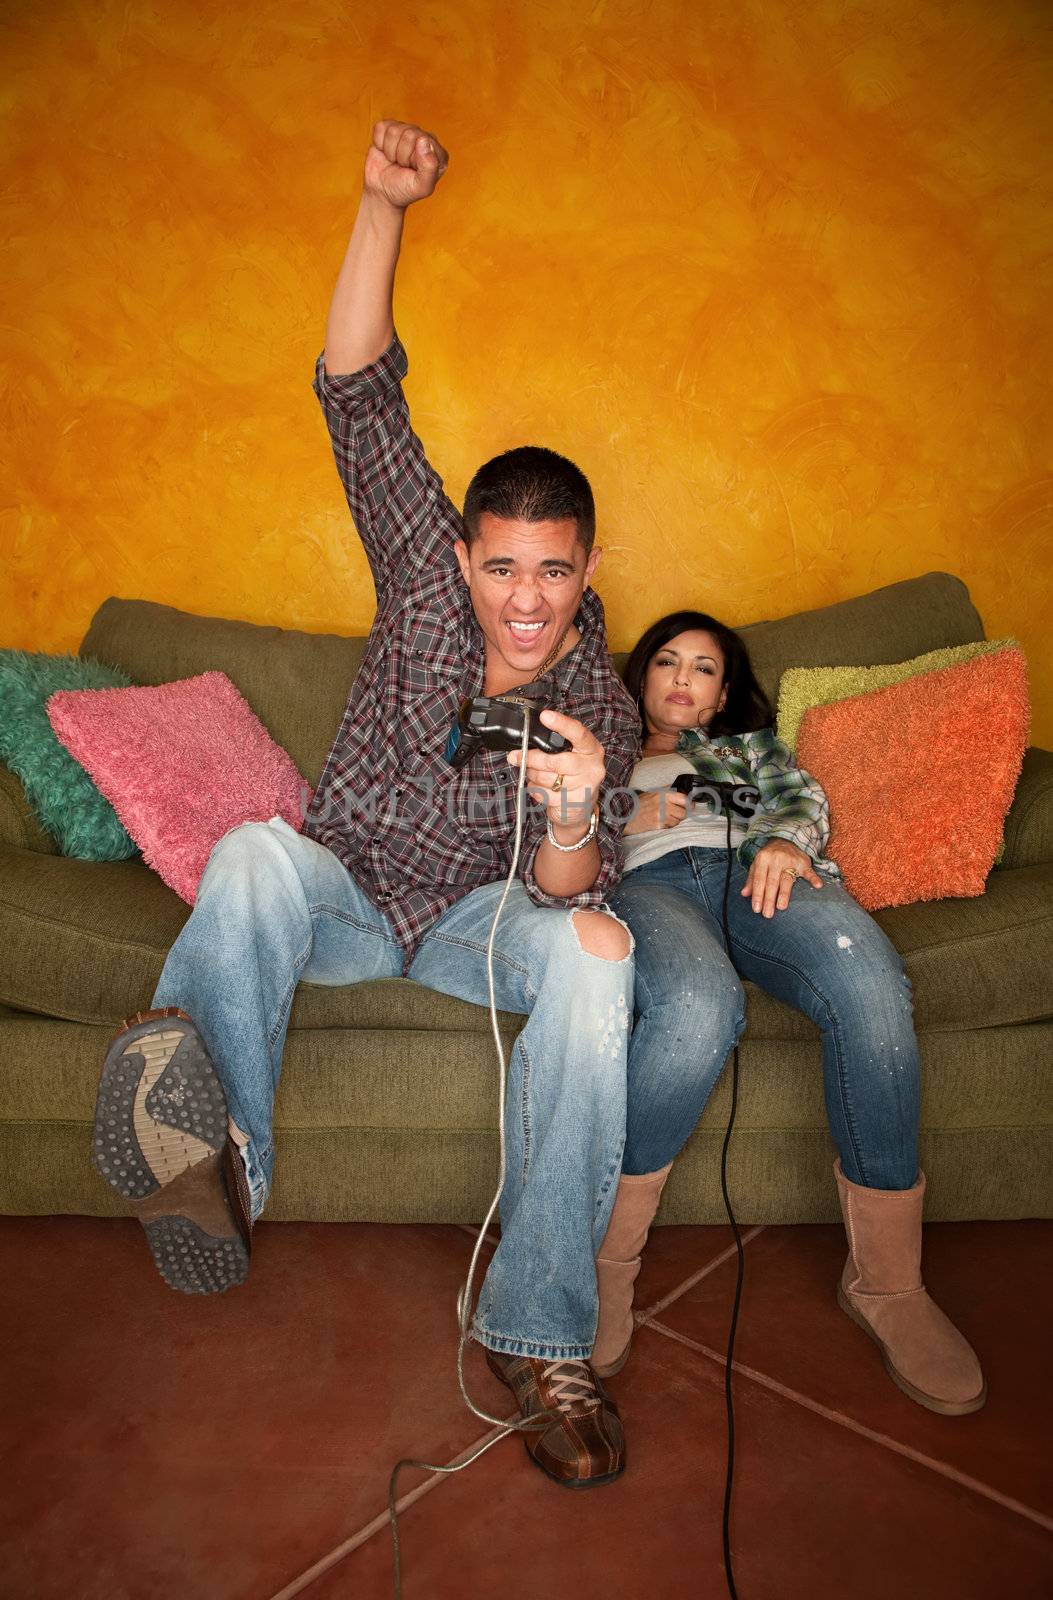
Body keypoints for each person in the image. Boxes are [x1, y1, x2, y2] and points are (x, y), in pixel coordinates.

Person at [92, 120, 641, 1487]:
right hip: (346, 895)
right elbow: (354, 391)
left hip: (477, 922)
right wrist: (379, 205)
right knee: (257, 858)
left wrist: (575, 814)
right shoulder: (417, 581)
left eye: (553, 573)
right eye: (503, 565)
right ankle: (221, 1167)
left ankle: (540, 1333)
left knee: (602, 951)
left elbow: (574, 899)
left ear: (585, 572)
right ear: (466, 552)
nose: (524, 599)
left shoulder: (610, 700)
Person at [588, 609, 986, 1416]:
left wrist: (784, 844)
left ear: (722, 692)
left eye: (703, 668)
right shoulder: (601, 746)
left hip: (755, 871)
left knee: (867, 983)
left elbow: (798, 798)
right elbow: (548, 835)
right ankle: (603, 1266)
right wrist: (625, 815)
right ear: (640, 679)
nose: (682, 678)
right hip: (652, 888)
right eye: (667, 661)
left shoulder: (745, 750)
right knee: (700, 1009)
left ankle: (887, 1285)